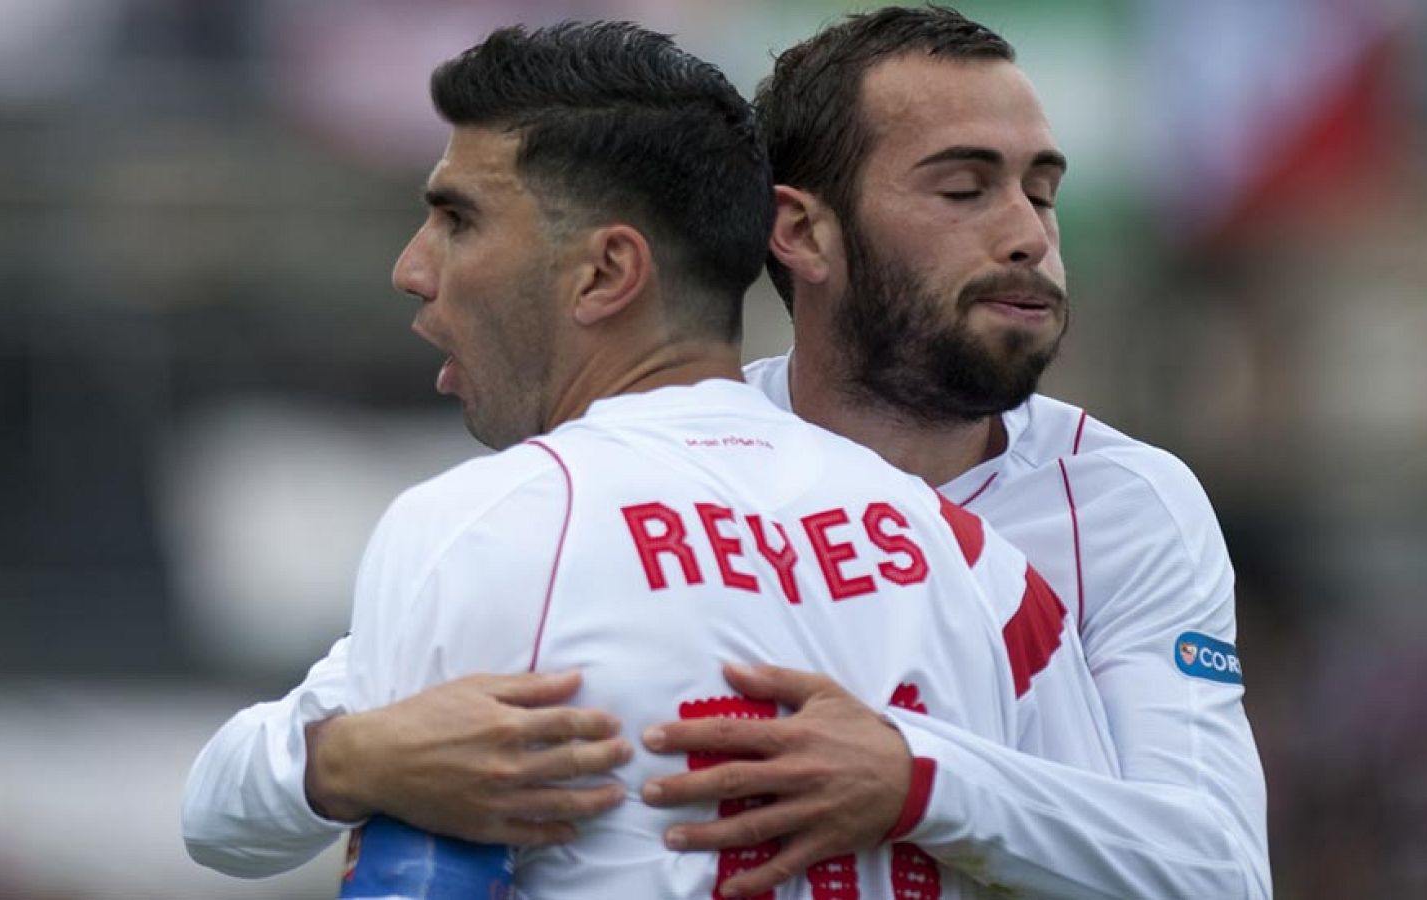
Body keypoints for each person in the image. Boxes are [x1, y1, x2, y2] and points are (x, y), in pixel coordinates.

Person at [184, 7, 1272, 898]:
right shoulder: (636, 470)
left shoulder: (1116, 507)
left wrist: (917, 776)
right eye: (963, 188)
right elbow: (237, 793)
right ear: (798, 232)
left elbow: (1216, 871)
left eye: (1042, 191)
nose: (1030, 234)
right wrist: (346, 760)